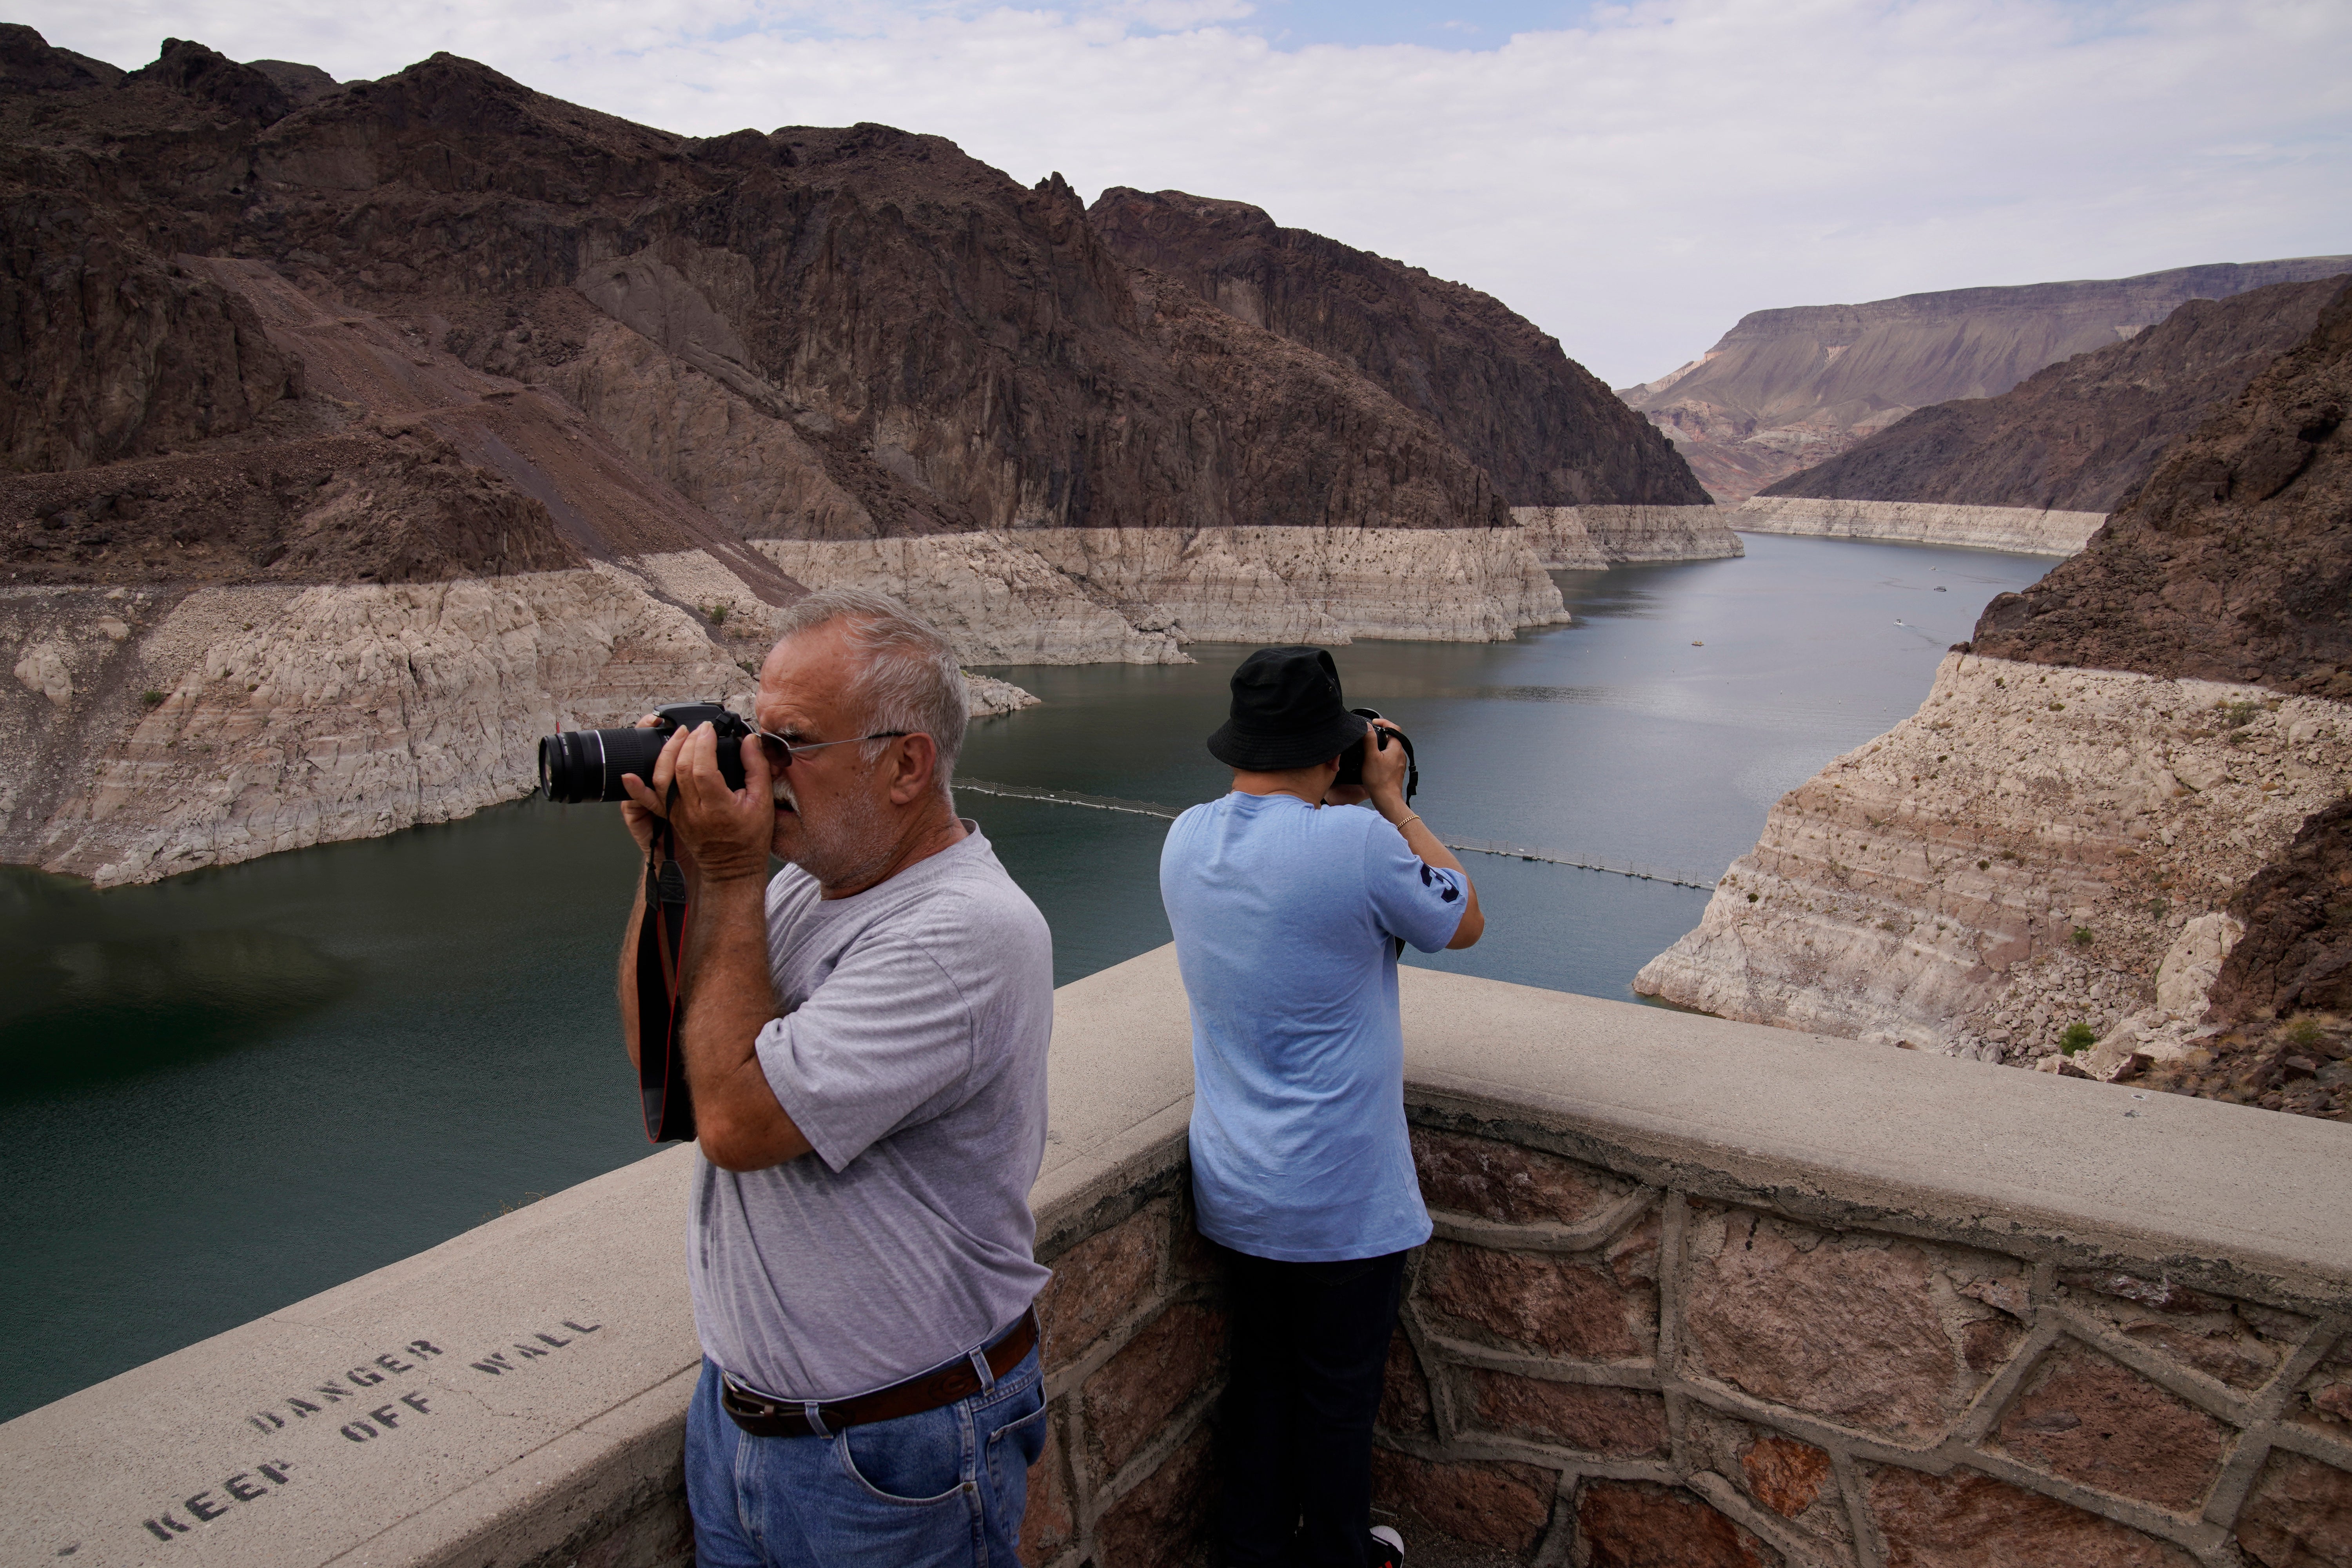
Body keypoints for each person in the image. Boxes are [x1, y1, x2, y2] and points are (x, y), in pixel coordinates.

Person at [614, 587, 1054, 1568]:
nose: (754, 765)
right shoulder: (807, 886)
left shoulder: (964, 931)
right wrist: (676, 870)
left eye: (790, 740)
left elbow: (735, 1123)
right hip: (744, 1425)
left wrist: (729, 875)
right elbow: (673, 1074)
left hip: (894, 1455)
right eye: (752, 730)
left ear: (906, 763)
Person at [1159, 646, 1485, 1568]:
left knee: (1262, 1383)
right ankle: (1343, 1550)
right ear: (1335, 746)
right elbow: (1461, 918)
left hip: (1236, 1182)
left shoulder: (1184, 834)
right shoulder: (1360, 842)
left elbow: (1286, 894)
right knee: (1338, 1394)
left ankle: (1252, 1547)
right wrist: (1393, 799)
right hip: (1341, 1194)